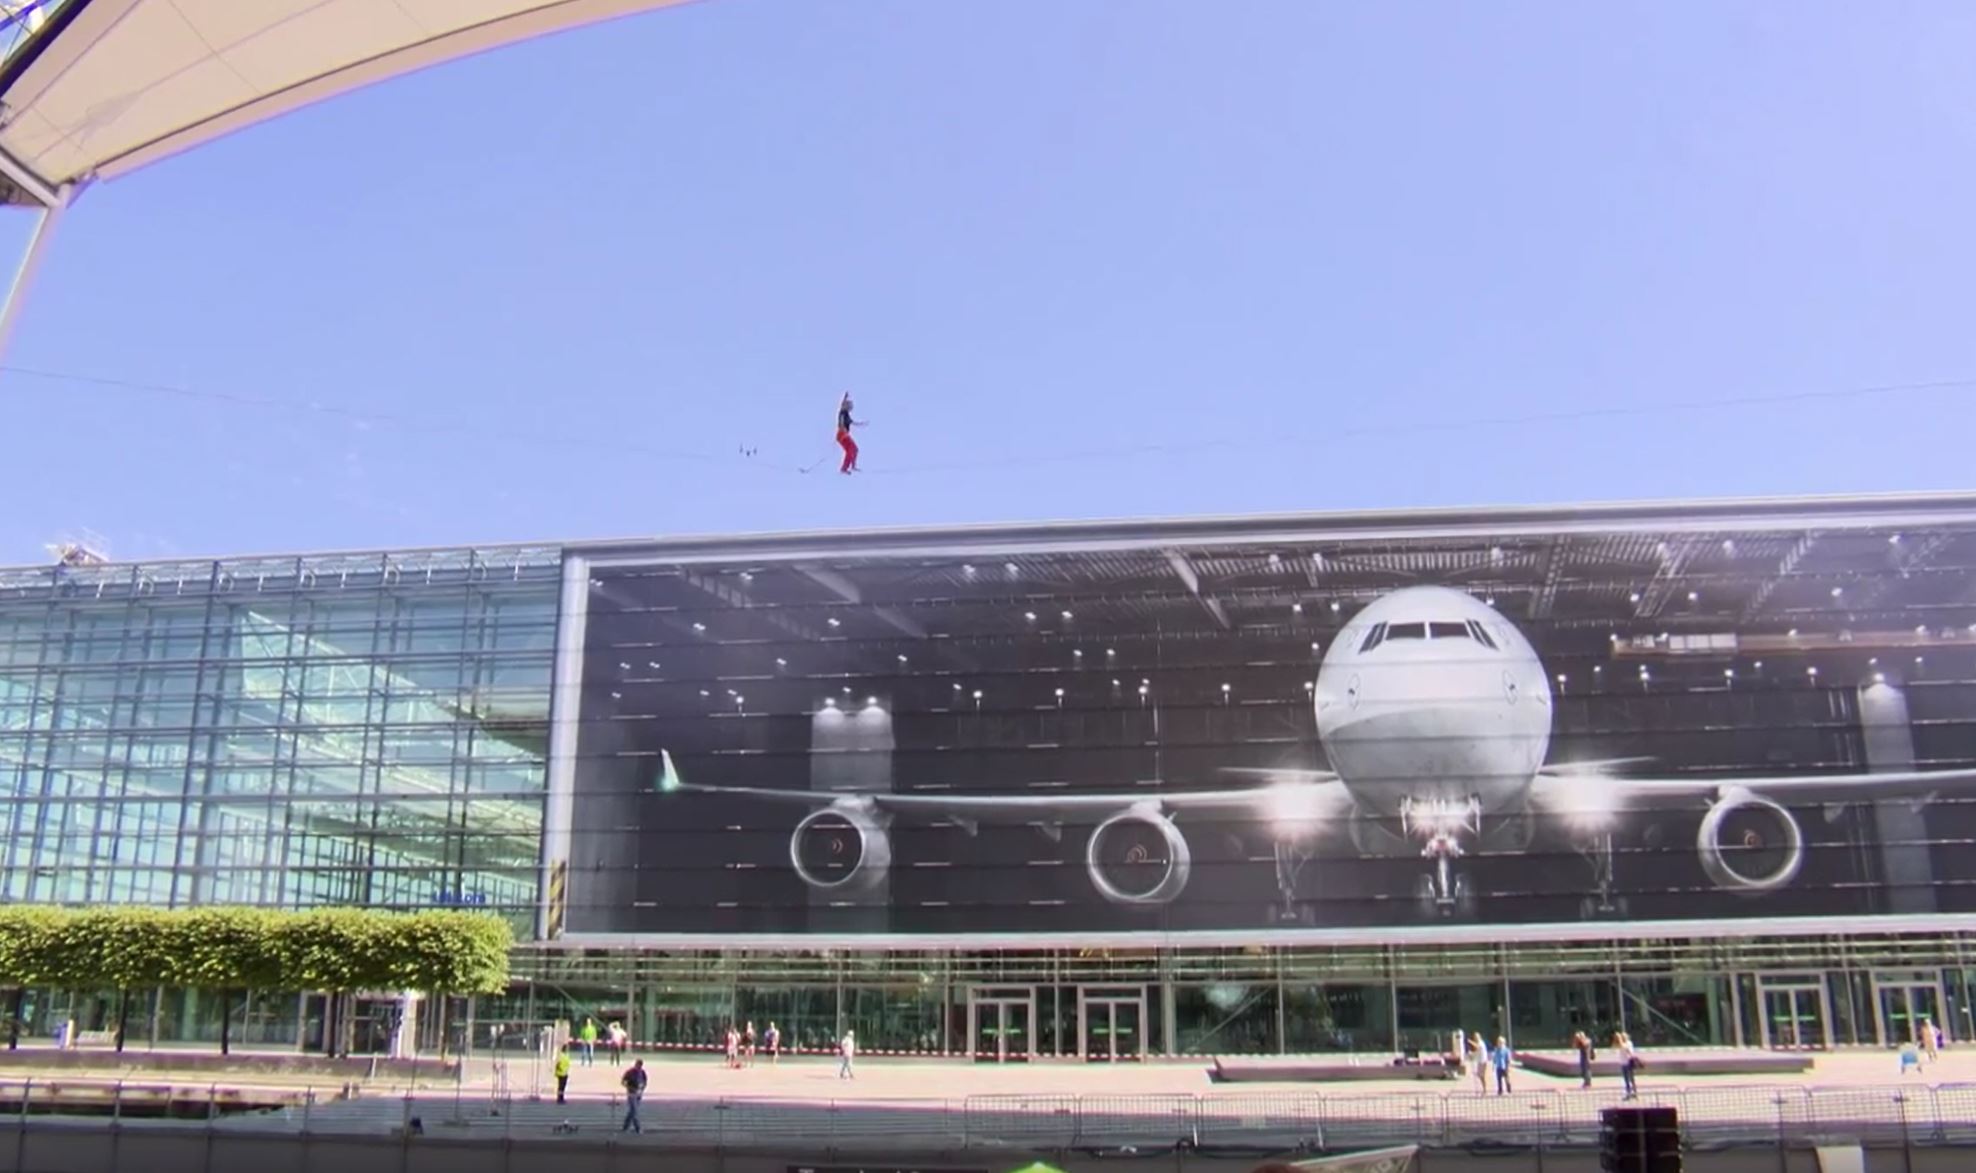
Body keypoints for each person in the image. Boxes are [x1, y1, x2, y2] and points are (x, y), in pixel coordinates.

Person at [835, 394, 864, 475]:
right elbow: (841, 423)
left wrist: (860, 424)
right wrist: (845, 397)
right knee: (850, 450)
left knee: (854, 449)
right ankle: (844, 469)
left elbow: (851, 422)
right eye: (850, 405)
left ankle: (853, 466)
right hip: (842, 434)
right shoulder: (843, 413)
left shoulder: (846, 413)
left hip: (845, 434)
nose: (851, 407)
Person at [620, 1059, 647, 1134]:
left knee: (632, 1112)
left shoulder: (642, 1072)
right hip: (631, 1093)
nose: (639, 1067)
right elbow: (623, 1082)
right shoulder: (630, 1072)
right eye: (638, 1065)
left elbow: (645, 1082)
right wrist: (629, 1088)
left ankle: (625, 1127)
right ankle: (637, 1128)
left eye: (640, 1066)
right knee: (634, 1111)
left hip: (638, 1094)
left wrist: (642, 1089)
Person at [1616, 1031, 1640, 1100]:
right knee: (1626, 1079)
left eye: (1624, 1036)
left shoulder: (1628, 1043)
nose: (1623, 1038)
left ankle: (1633, 1093)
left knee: (1630, 1079)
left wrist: (1620, 1038)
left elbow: (1625, 1048)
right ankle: (1630, 1093)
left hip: (1628, 1063)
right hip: (1623, 1063)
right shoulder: (1622, 1043)